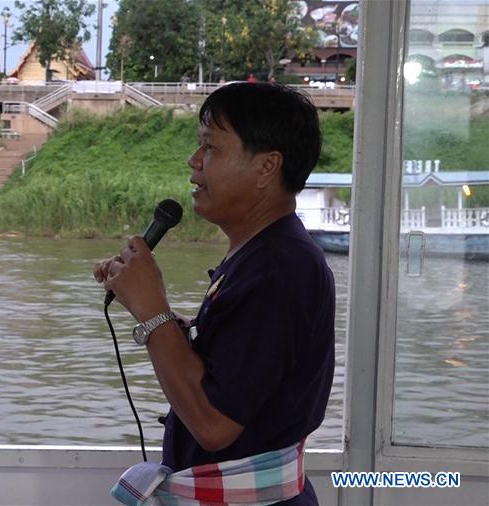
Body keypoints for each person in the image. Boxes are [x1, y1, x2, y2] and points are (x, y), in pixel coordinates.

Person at [94, 82, 335, 505]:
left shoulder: (280, 268)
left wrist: (153, 310)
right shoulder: (261, 256)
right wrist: (152, 308)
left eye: (211, 147)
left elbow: (215, 424)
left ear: (266, 167)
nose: (194, 162)